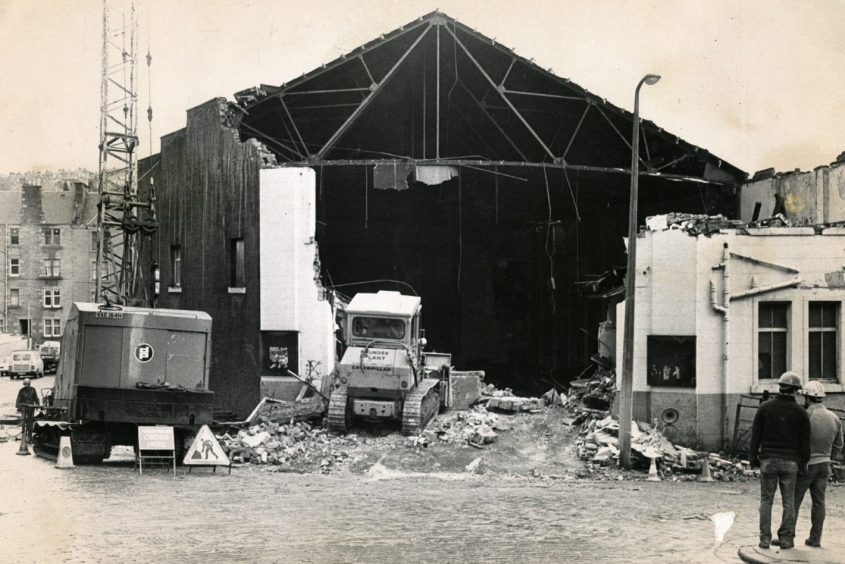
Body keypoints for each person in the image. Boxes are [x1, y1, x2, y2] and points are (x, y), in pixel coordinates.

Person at [749, 371, 811, 549]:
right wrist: (803, 464)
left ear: (780, 387)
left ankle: (764, 539)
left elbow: (755, 437)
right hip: (791, 462)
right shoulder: (801, 413)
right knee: (789, 502)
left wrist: (753, 459)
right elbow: (805, 444)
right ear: (795, 391)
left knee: (766, 501)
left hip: (768, 460)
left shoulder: (765, 408)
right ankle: (785, 539)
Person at [793, 380, 844, 548]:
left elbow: (797, 442)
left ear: (807, 398)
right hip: (824, 464)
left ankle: (788, 536)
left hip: (806, 465)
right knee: (819, 502)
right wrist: (829, 457)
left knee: (794, 501)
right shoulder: (834, 418)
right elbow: (839, 445)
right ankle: (815, 538)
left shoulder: (805, 416)